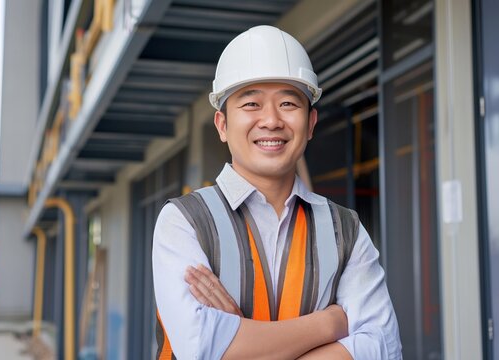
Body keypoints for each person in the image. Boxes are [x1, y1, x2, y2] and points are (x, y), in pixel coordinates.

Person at [152, 25, 402, 359]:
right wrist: (329, 325)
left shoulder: (345, 229)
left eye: (287, 103)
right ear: (222, 125)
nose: (271, 120)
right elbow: (202, 346)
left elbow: (383, 348)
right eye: (251, 103)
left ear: (311, 124)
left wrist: (244, 341)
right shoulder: (184, 222)